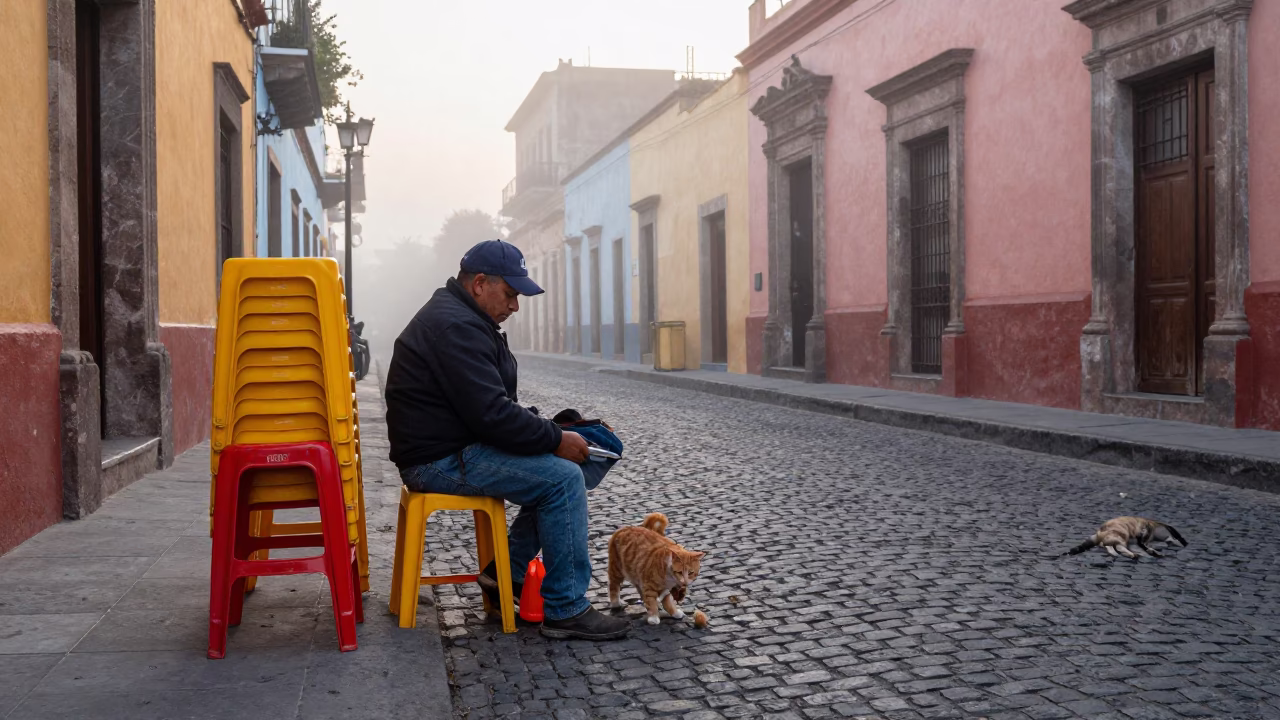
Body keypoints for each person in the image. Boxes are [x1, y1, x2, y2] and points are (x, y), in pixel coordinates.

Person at [384, 239, 629, 640]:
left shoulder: (464, 319)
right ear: (480, 283)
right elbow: (492, 415)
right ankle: (565, 608)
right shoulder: (455, 326)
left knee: (561, 467)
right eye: (511, 294)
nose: (515, 306)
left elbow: (490, 406)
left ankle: (506, 575)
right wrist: (554, 437)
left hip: (454, 444)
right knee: (564, 479)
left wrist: (553, 429)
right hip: (439, 460)